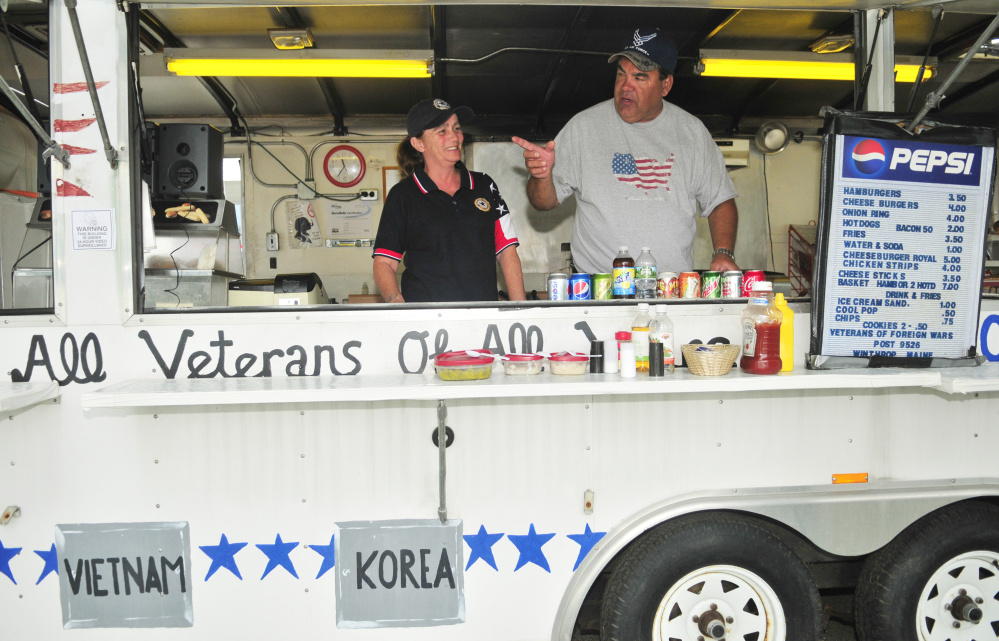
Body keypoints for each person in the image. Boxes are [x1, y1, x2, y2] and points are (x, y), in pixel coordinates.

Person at [513, 28, 739, 275]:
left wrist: (723, 253)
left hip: (670, 290)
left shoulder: (692, 133)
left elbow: (720, 201)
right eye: (621, 74)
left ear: (666, 85)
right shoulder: (584, 127)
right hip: (598, 291)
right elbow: (543, 202)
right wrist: (541, 177)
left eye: (639, 77)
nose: (625, 87)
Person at [373, 98, 526, 303]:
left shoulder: (484, 185)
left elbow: (507, 252)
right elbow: (384, 263)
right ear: (418, 143)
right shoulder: (402, 196)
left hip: (482, 321)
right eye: (442, 131)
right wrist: (398, 306)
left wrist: (521, 310)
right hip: (427, 326)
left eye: (457, 128)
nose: (454, 137)